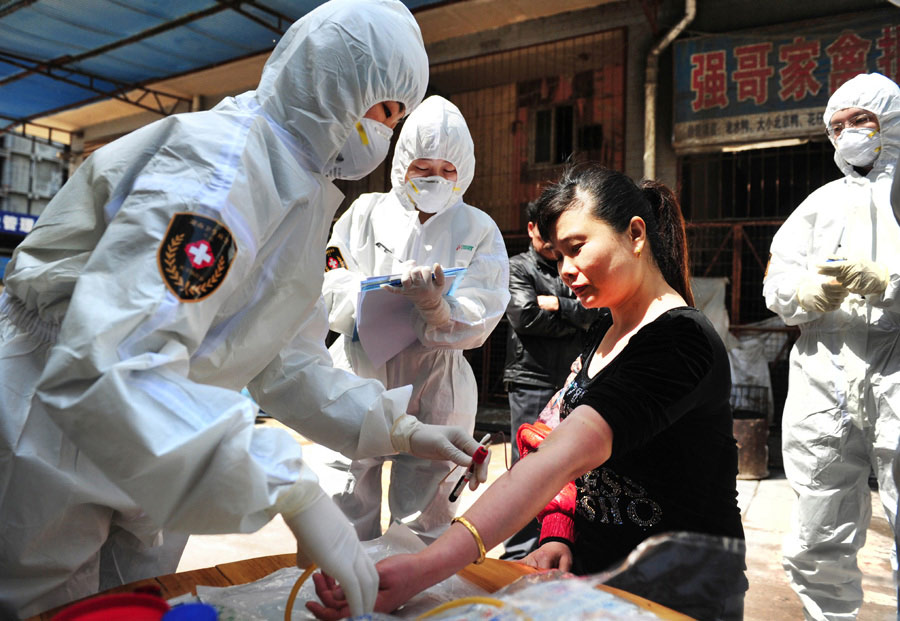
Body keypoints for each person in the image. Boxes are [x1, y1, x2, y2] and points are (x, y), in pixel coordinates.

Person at [0, 2, 489, 618]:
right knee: (43, 606)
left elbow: (281, 360)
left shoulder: (303, 195)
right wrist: (288, 485)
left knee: (132, 603)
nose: (388, 132)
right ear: (338, 83)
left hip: (166, 428)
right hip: (53, 421)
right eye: (387, 110)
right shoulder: (216, 169)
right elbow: (115, 359)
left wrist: (403, 430)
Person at [308, 164, 748, 621]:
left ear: (636, 234)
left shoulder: (678, 341)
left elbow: (559, 457)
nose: (568, 271)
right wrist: (559, 531)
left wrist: (426, 566)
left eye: (577, 248)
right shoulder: (607, 326)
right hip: (599, 584)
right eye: (558, 256)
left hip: (677, 595)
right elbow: (556, 434)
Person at [322, 95, 510, 543]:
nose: (436, 180)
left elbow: (485, 309)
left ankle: (405, 601)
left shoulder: (478, 228)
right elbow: (329, 279)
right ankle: (341, 600)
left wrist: (436, 308)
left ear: (463, 172)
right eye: (423, 168)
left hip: (437, 383)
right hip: (360, 370)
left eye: (448, 170)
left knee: (424, 519)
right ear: (402, 163)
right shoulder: (365, 213)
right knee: (342, 506)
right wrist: (372, 295)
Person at [763, 72, 900, 621]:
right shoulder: (816, 206)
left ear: (889, 120)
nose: (847, 135)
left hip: (896, 370)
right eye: (836, 126)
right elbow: (777, 285)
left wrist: (889, 284)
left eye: (859, 121)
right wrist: (804, 294)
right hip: (823, 379)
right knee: (817, 536)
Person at [500, 199, 599, 559]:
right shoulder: (517, 267)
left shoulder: (569, 268)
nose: (553, 243)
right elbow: (525, 317)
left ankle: (554, 544)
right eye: (545, 233)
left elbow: (595, 313)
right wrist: (575, 316)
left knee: (571, 466)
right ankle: (518, 551)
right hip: (531, 377)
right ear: (530, 230)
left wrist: (558, 305)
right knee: (528, 464)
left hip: (570, 379)